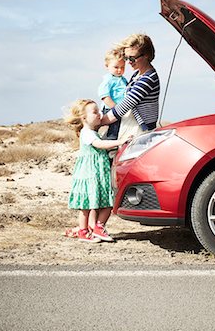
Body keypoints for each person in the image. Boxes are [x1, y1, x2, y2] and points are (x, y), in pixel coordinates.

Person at [64, 99, 129, 243]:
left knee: (106, 202)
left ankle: (97, 227)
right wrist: (119, 142)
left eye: (99, 111)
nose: (100, 114)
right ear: (84, 118)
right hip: (90, 174)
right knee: (86, 206)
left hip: (99, 174)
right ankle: (83, 231)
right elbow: (99, 144)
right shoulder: (87, 133)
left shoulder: (93, 132)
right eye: (94, 112)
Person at [101, 34, 160, 140]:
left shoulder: (148, 79)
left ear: (146, 55)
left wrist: (98, 122)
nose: (128, 62)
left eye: (132, 58)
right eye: (126, 58)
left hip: (140, 130)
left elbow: (124, 107)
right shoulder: (137, 74)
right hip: (131, 125)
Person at [98, 49, 127, 140]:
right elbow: (104, 96)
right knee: (115, 126)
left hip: (120, 108)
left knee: (120, 127)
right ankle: (111, 142)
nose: (119, 70)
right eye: (116, 67)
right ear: (107, 66)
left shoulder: (123, 79)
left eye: (122, 67)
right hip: (110, 108)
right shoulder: (108, 80)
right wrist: (115, 108)